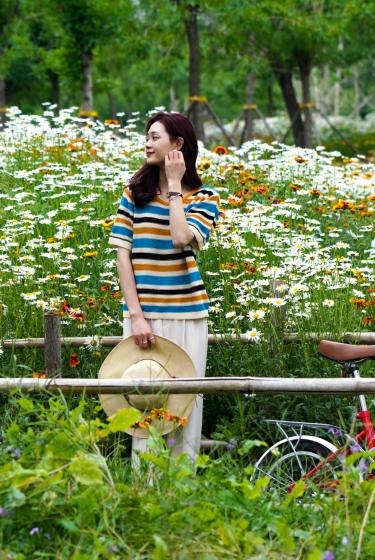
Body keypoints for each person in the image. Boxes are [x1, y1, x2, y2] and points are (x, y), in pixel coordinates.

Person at [107, 111, 219, 466]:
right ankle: (144, 491)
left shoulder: (204, 198)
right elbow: (122, 257)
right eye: (147, 136)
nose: (147, 142)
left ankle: (181, 498)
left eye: (155, 136)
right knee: (145, 404)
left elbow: (180, 237)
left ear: (178, 145)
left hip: (187, 316)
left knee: (185, 408)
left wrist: (174, 188)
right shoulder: (133, 195)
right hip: (145, 317)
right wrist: (136, 316)